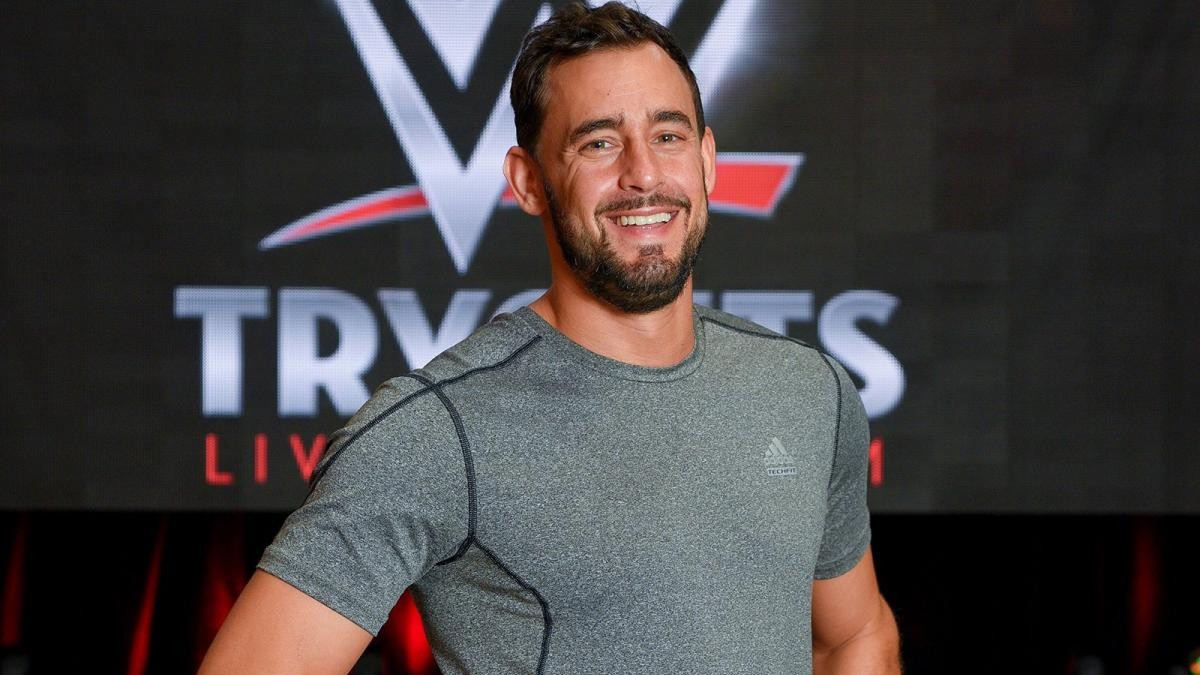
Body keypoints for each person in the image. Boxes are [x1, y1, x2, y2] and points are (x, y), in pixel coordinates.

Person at [199, 2, 901, 673]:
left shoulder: (808, 391)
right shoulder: (438, 431)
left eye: (668, 135)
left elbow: (855, 636)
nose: (643, 173)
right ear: (529, 181)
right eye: (599, 142)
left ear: (707, 158)